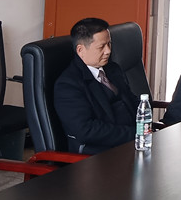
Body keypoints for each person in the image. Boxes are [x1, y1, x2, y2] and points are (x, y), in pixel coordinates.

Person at [54, 17, 139, 154]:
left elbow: (132, 100)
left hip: (131, 142)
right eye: (101, 47)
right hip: (99, 153)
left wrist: (145, 128)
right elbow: (86, 130)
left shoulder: (113, 69)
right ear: (80, 50)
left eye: (109, 44)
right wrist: (134, 134)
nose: (108, 51)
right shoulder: (68, 85)